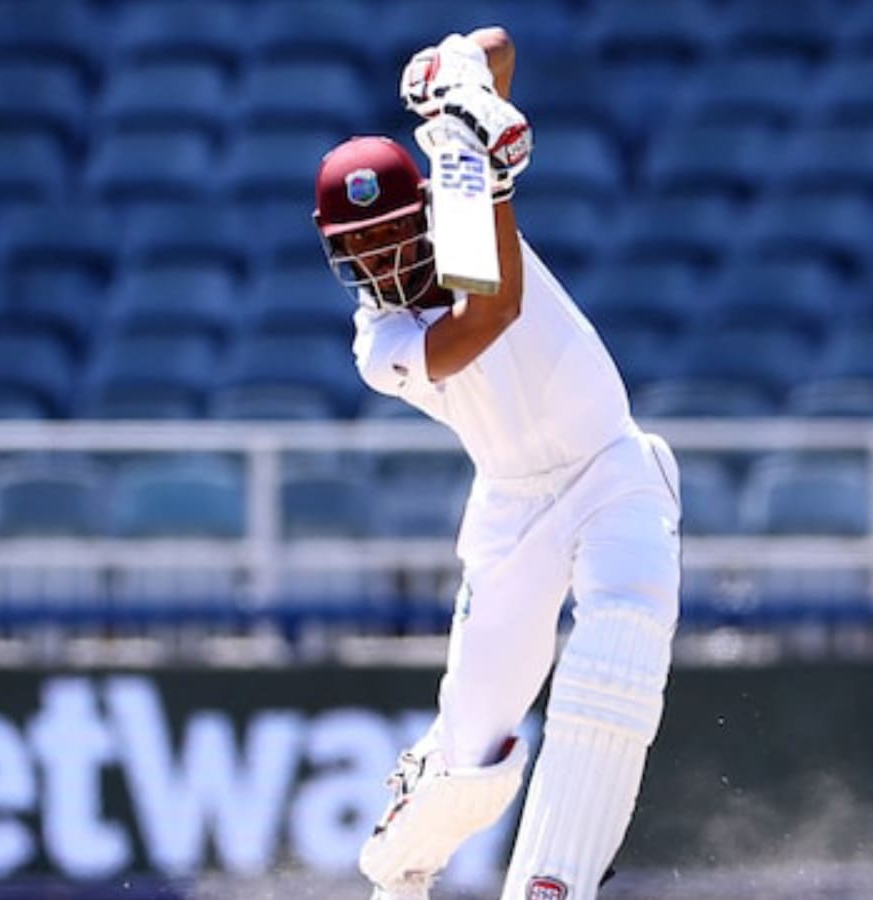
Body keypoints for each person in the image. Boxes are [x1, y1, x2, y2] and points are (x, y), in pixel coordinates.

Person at [310, 26, 683, 900]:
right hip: (514, 513)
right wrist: (491, 176)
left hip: (614, 470)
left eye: (387, 238)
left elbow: (500, 46)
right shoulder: (380, 343)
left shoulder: (456, 193)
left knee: (617, 657)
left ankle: (553, 884)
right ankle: (399, 867)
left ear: (419, 216)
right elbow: (490, 312)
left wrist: (459, 82)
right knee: (469, 759)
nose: (378, 263)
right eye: (358, 250)